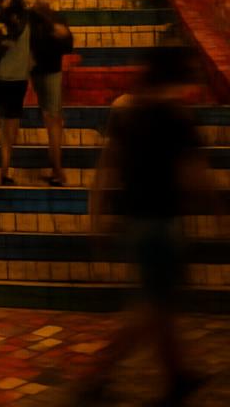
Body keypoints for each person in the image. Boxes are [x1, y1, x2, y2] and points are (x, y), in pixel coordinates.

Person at [74, 47, 220, 405]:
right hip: (162, 225)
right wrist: (216, 209)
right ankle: (99, 375)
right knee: (150, 309)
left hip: (136, 223)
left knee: (159, 307)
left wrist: (96, 218)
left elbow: (106, 169)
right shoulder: (177, 117)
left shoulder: (129, 114)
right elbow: (195, 176)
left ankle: (177, 376)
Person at [0, 0, 32, 185]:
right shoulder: (3, 20)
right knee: (8, 123)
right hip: (3, 77)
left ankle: (5, 167)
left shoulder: (21, 20)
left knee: (9, 123)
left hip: (13, 78)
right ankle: (5, 165)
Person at [28, 0, 74, 186]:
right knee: (53, 119)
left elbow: (66, 44)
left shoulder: (47, 20)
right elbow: (67, 44)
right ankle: (57, 170)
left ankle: (58, 171)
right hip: (48, 71)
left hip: (45, 72)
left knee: (52, 120)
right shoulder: (53, 20)